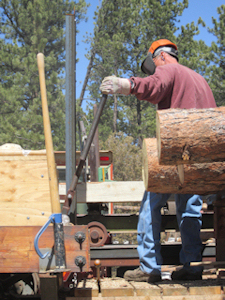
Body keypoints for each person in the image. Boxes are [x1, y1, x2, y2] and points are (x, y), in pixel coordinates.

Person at [100, 39, 217, 283]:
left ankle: (149, 267)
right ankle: (193, 265)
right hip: (197, 160)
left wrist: (125, 85)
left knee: (150, 206)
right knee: (190, 211)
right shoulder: (200, 79)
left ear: (161, 56)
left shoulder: (169, 69)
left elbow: (154, 85)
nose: (155, 68)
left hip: (175, 154)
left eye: (154, 63)